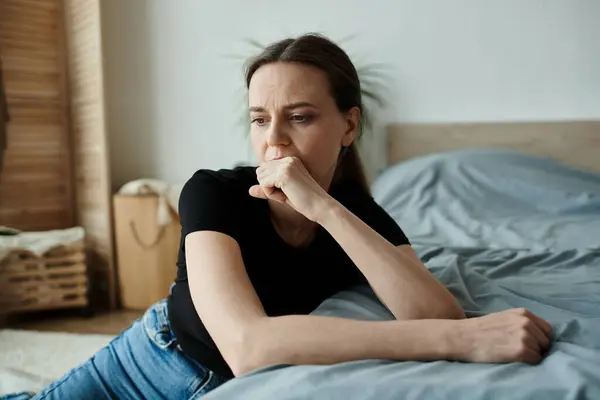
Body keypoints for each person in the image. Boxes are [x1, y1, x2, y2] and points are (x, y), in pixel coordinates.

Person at [6, 33, 553, 400]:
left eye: (300, 117)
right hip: (145, 366)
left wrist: (322, 207)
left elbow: (435, 311)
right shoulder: (213, 193)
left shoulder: (354, 214)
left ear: (348, 126)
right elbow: (246, 348)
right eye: (260, 119)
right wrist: (461, 345)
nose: (275, 140)